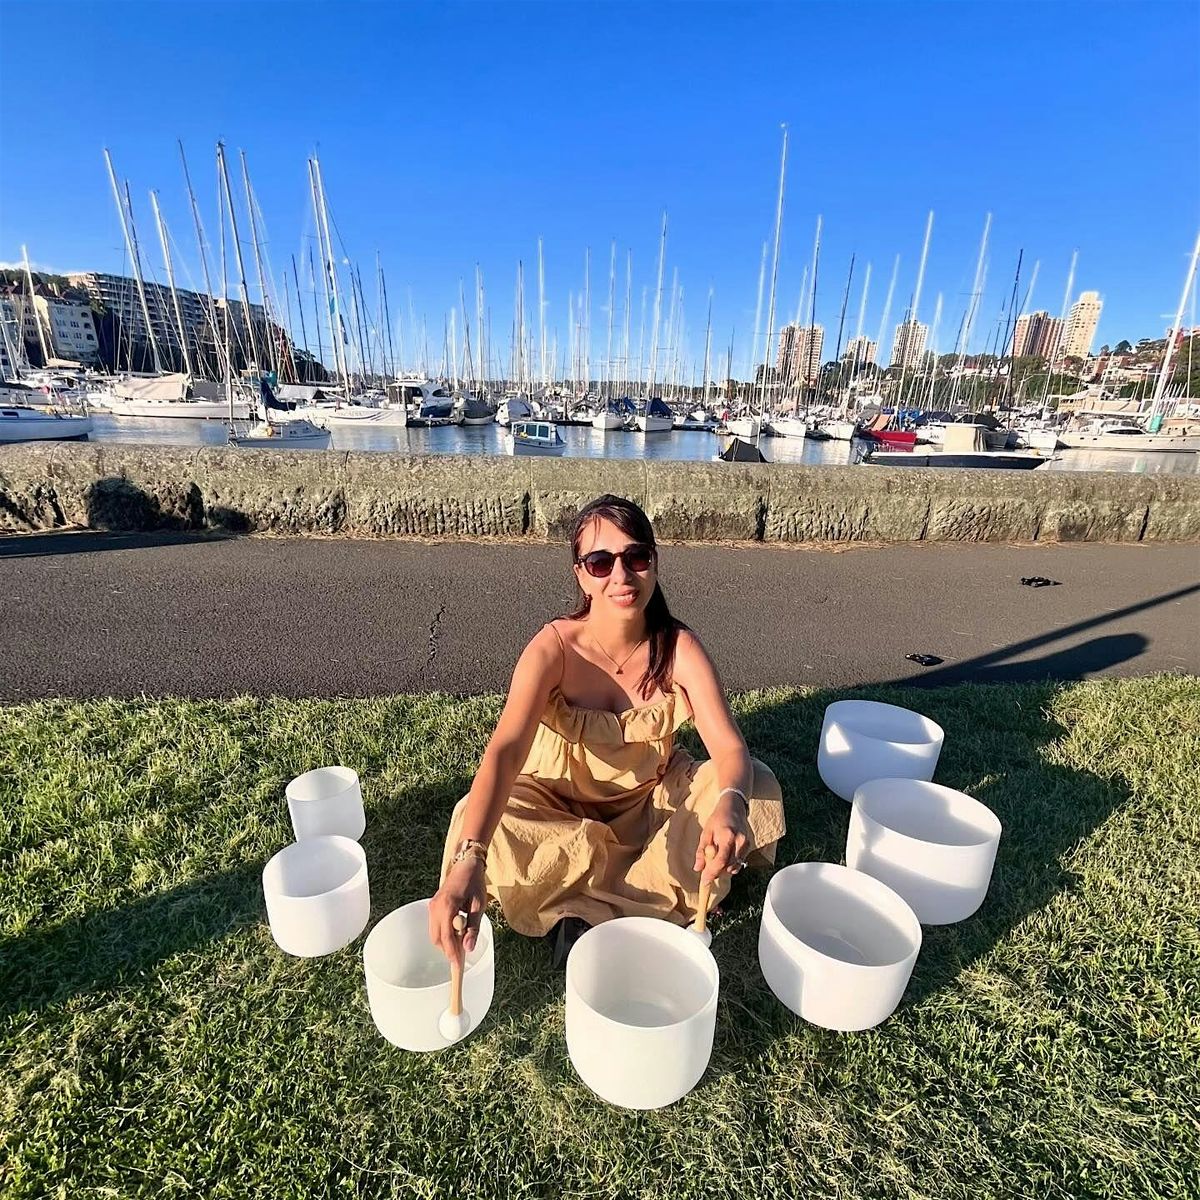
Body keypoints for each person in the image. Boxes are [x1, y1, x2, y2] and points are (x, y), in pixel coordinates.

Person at [429, 494, 786, 968]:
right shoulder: (552, 648)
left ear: (654, 564)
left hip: (649, 803)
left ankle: (582, 914)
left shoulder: (678, 647)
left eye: (636, 556)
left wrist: (730, 807)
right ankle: (663, 897)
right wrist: (469, 858)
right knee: (478, 823)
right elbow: (506, 751)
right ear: (581, 574)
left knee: (753, 787)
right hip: (554, 802)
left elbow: (728, 747)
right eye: (600, 562)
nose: (621, 575)